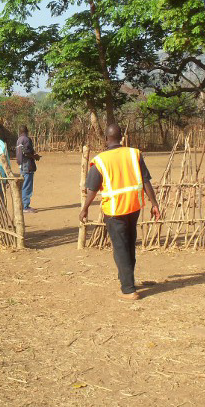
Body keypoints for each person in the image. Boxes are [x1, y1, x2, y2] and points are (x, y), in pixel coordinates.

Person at [78, 123, 161, 301]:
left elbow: (92, 188)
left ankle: (129, 289)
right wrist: (155, 204)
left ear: (106, 139)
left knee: (120, 248)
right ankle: (127, 280)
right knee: (130, 244)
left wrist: (84, 208)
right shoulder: (134, 154)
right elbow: (146, 181)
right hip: (133, 207)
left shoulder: (100, 161)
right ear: (121, 137)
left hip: (115, 210)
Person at [16, 125, 41, 213]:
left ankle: (23, 205)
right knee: (27, 185)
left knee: (24, 185)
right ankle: (25, 207)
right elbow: (26, 152)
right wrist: (34, 156)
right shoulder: (26, 139)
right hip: (27, 164)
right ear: (27, 131)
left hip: (22, 164)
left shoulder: (19, 139)